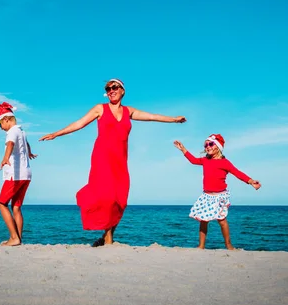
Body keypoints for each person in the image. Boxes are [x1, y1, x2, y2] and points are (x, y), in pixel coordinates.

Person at [39, 78, 186, 247]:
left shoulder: (128, 111)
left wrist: (174, 119)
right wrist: (57, 133)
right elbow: (79, 123)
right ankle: (107, 238)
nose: (111, 90)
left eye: (115, 87)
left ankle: (107, 235)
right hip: (102, 158)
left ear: (122, 90)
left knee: (120, 199)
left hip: (121, 161)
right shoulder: (100, 109)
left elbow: (151, 116)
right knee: (106, 196)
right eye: (108, 88)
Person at [173, 134, 261, 250]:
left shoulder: (225, 162)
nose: (207, 147)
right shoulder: (205, 160)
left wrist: (250, 181)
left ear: (218, 147)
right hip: (207, 196)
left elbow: (237, 173)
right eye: (205, 145)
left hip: (220, 196)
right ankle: (201, 246)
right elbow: (193, 160)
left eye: (210, 144)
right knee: (203, 220)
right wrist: (183, 149)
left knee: (222, 220)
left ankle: (229, 245)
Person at [0, 102, 38, 246]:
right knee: (16, 207)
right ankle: (18, 239)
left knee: (1, 203)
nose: (0, 128)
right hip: (26, 175)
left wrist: (5, 158)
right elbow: (26, 144)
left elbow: (10, 144)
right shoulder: (21, 131)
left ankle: (14, 238)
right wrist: (29, 152)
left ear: (6, 119)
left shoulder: (12, 132)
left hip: (15, 175)